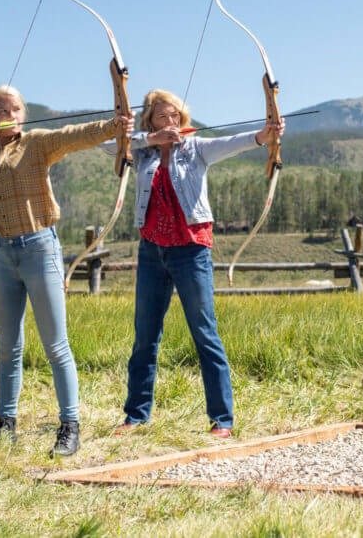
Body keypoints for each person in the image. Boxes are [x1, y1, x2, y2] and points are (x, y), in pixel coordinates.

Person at [0, 86, 133, 456]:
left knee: (56, 345)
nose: (13, 114)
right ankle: (6, 424)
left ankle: (69, 426)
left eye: (17, 108)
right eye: (3, 109)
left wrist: (115, 126)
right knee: (8, 347)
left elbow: (75, 135)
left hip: (40, 249)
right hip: (2, 254)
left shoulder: (37, 142)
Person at [110, 90, 284, 438]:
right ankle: (135, 415)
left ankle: (222, 419)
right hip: (151, 251)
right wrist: (151, 139)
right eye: (162, 117)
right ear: (150, 120)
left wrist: (266, 135)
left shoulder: (196, 148)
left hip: (191, 249)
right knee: (145, 336)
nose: (170, 122)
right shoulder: (141, 151)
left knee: (204, 333)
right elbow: (112, 144)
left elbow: (234, 142)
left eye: (175, 116)